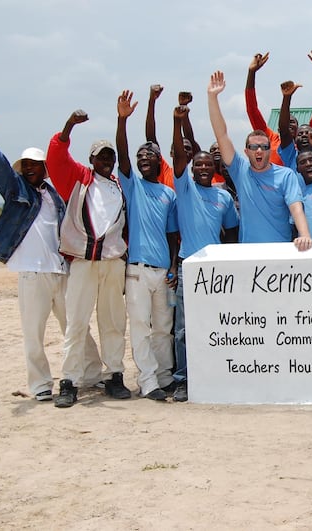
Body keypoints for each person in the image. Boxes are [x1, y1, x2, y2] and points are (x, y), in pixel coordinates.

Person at [0, 118, 101, 401]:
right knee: (33, 333)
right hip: (31, 273)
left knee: (76, 326)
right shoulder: (16, 191)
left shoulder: (55, 197)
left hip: (60, 272)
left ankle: (92, 374)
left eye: (34, 164)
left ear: (45, 169)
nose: (29, 168)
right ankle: (41, 385)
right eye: (25, 165)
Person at [46, 109, 130, 408]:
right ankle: (69, 381)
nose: (106, 161)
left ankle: (115, 375)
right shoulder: (79, 179)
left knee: (113, 321)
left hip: (112, 263)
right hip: (83, 262)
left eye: (110, 157)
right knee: (77, 323)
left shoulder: (120, 185)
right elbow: (56, 156)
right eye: (101, 157)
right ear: (91, 159)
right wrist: (69, 125)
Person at [171, 104, 240, 402]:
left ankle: (215, 376)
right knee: (183, 329)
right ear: (191, 169)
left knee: (216, 324)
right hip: (188, 266)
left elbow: (232, 234)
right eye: (197, 165)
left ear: (215, 169)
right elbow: (178, 156)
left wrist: (228, 262)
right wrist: (177, 122)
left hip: (215, 270)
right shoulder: (184, 188)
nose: (202, 168)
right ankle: (183, 380)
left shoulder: (223, 197)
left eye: (207, 165)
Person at [116, 90, 180, 401]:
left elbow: (172, 235)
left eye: (148, 155)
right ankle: (148, 381)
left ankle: (164, 377)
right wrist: (122, 120)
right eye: (139, 156)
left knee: (163, 327)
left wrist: (172, 266)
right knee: (140, 326)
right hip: (137, 271)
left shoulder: (169, 194)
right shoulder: (133, 186)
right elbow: (122, 154)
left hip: (162, 272)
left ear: (158, 161)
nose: (142, 159)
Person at [207, 70, 312, 250]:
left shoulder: (286, 175)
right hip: (249, 254)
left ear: (269, 150)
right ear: (246, 151)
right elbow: (221, 135)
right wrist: (212, 97)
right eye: (254, 147)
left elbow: (296, 208)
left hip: (280, 252)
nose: (259, 151)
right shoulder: (240, 170)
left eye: (264, 147)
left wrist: (305, 235)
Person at [245, 52, 312, 166]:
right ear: (279, 128)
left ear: (298, 129)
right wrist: (251, 73)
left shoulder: (307, 138)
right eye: (286, 121)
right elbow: (252, 110)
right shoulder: (269, 138)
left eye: (292, 122)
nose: (289, 124)